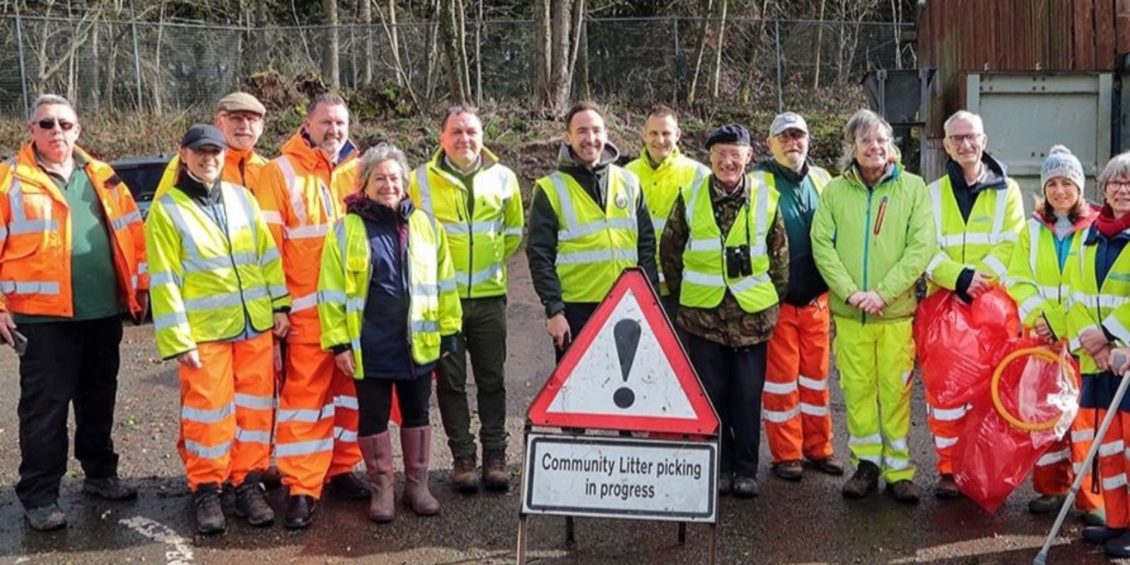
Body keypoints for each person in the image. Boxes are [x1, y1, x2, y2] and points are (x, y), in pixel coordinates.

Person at [0, 94, 147, 531]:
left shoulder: (103, 175)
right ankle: (40, 495)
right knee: (44, 409)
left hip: (101, 313)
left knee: (99, 398)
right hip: (42, 319)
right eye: (46, 124)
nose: (57, 131)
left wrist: (139, 290)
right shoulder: (10, 180)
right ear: (31, 130)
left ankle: (100, 474)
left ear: (78, 129)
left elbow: (133, 237)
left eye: (65, 124)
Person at [145, 124, 291, 535]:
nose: (209, 159)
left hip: (253, 325)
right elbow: (165, 281)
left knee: (254, 411)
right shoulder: (167, 209)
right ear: (184, 155)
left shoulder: (243, 199)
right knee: (208, 413)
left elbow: (266, 256)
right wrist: (178, 340)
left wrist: (279, 305)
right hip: (205, 333)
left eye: (215, 152)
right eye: (201, 152)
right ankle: (207, 489)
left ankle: (247, 483)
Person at [318, 143, 462, 523]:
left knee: (417, 414)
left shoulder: (426, 226)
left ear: (405, 182)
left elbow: (444, 284)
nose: (388, 185)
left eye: (395, 178)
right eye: (379, 178)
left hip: (418, 343)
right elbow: (330, 290)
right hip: (370, 344)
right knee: (373, 417)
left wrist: (449, 332)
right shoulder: (346, 229)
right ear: (364, 184)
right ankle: (382, 488)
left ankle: (417, 485)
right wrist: (339, 342)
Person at [811, 109, 935, 504]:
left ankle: (898, 470)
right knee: (858, 392)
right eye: (865, 140)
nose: (874, 147)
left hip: (895, 314)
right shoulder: (834, 192)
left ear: (891, 146)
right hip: (851, 317)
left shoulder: (913, 188)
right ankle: (865, 465)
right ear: (852, 147)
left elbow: (920, 248)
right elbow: (822, 246)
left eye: (881, 139)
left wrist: (882, 293)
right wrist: (851, 293)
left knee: (896, 393)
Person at [660, 124, 788, 498]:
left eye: (735, 154)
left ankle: (746, 469)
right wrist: (685, 297)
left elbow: (780, 258)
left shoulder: (766, 198)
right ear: (710, 157)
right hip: (703, 318)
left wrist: (770, 303)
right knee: (711, 395)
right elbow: (670, 251)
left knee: (747, 397)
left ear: (749, 156)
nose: (728, 162)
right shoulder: (690, 196)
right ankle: (719, 465)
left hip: (751, 318)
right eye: (720, 154)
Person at [255, 92, 365, 528]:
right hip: (305, 312)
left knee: (349, 396)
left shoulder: (360, 169)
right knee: (305, 400)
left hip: (353, 313)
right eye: (326, 123)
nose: (334, 130)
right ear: (307, 124)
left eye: (340, 123)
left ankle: (341, 468)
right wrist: (277, 306)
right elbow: (268, 247)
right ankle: (302, 486)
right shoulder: (280, 171)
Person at [408, 106, 523, 494]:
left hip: (490, 298)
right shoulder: (419, 180)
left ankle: (496, 455)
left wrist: (489, 267)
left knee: (492, 379)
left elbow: (513, 232)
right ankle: (463, 457)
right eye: (456, 132)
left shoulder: (504, 177)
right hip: (443, 301)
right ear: (441, 138)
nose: (464, 139)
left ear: (482, 136)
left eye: (471, 131)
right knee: (451, 382)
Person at [923, 110, 1025, 498]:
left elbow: (1012, 243)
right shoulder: (931, 194)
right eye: (957, 138)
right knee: (945, 395)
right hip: (944, 307)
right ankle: (949, 470)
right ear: (946, 146)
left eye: (971, 137)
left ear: (984, 140)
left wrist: (977, 281)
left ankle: (981, 471)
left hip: (991, 311)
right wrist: (957, 278)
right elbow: (923, 248)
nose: (965, 144)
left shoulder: (1008, 191)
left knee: (988, 394)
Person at [1004, 146, 1103, 525]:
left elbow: (1091, 283)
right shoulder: (1030, 230)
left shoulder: (1095, 228)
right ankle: (1052, 488)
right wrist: (1040, 317)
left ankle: (1090, 498)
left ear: (1079, 187)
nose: (1060, 191)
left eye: (1067, 183)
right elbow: (1017, 278)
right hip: (1042, 340)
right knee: (1046, 415)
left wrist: (1062, 322)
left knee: (1084, 420)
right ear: (1044, 189)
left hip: (1081, 340)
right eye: (1053, 184)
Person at [527, 101, 658, 356]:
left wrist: (651, 303)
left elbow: (646, 247)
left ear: (606, 134)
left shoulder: (629, 182)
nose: (590, 138)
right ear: (568, 137)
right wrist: (554, 310)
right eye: (582, 131)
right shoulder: (550, 189)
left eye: (596, 130)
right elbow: (539, 255)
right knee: (579, 382)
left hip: (627, 304)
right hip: (577, 311)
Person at [752, 111, 842, 481]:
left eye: (798, 136)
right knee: (781, 383)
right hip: (779, 300)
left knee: (816, 380)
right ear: (770, 143)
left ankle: (820, 448)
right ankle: (787, 454)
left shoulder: (823, 179)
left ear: (808, 140)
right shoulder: (757, 181)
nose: (793, 143)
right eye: (784, 137)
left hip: (817, 300)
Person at [1066, 151, 1130, 558]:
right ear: (1103, 189)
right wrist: (1092, 341)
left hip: (1125, 363)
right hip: (1099, 363)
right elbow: (1074, 293)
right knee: (1108, 449)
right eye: (1116, 183)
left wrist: (1109, 335)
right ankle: (1118, 521)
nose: (1123, 190)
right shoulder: (1088, 236)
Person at [625, 104, 708, 319]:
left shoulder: (698, 175)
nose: (660, 140)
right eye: (653, 133)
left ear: (678, 134)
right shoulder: (625, 175)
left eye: (666, 133)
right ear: (643, 134)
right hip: (636, 284)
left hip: (681, 287)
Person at [154, 92, 271, 199]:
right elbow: (163, 209)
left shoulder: (268, 169)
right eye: (236, 118)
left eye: (251, 120)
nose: (244, 126)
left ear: (261, 127)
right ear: (219, 122)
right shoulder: (192, 162)